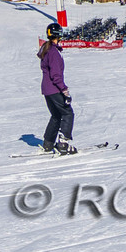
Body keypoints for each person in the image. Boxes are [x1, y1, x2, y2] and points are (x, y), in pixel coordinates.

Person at [38, 23, 77, 154]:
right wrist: (64, 90)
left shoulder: (47, 48)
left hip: (47, 89)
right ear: (58, 35)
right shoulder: (53, 52)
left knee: (56, 115)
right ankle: (63, 143)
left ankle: (48, 143)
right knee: (67, 113)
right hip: (54, 88)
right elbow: (55, 75)